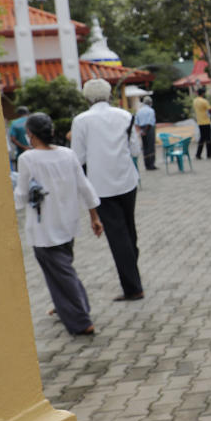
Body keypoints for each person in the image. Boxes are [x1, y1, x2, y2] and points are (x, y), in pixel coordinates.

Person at [14, 113, 104, 335]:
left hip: (44, 228)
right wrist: (94, 216)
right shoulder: (67, 154)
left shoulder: (28, 159)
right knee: (61, 271)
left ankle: (81, 319)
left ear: (31, 135)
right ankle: (66, 308)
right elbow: (85, 187)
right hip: (67, 223)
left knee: (62, 274)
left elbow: (22, 195)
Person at [71, 78, 145, 302]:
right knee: (129, 231)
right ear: (109, 94)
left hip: (100, 185)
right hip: (127, 180)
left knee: (117, 236)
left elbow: (78, 157)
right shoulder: (124, 116)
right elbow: (134, 149)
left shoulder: (81, 121)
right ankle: (133, 276)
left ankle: (133, 287)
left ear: (87, 98)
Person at [134, 96, 158, 170]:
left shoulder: (139, 111)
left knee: (145, 147)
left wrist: (141, 131)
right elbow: (150, 122)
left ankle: (146, 165)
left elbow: (136, 123)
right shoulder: (151, 110)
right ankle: (151, 164)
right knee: (151, 147)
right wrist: (145, 131)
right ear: (150, 103)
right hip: (149, 129)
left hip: (141, 129)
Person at [193, 87, 211, 159]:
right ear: (203, 93)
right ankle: (209, 154)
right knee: (208, 138)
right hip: (206, 121)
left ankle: (198, 154)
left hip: (199, 122)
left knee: (202, 138)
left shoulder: (195, 101)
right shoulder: (204, 101)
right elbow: (210, 109)